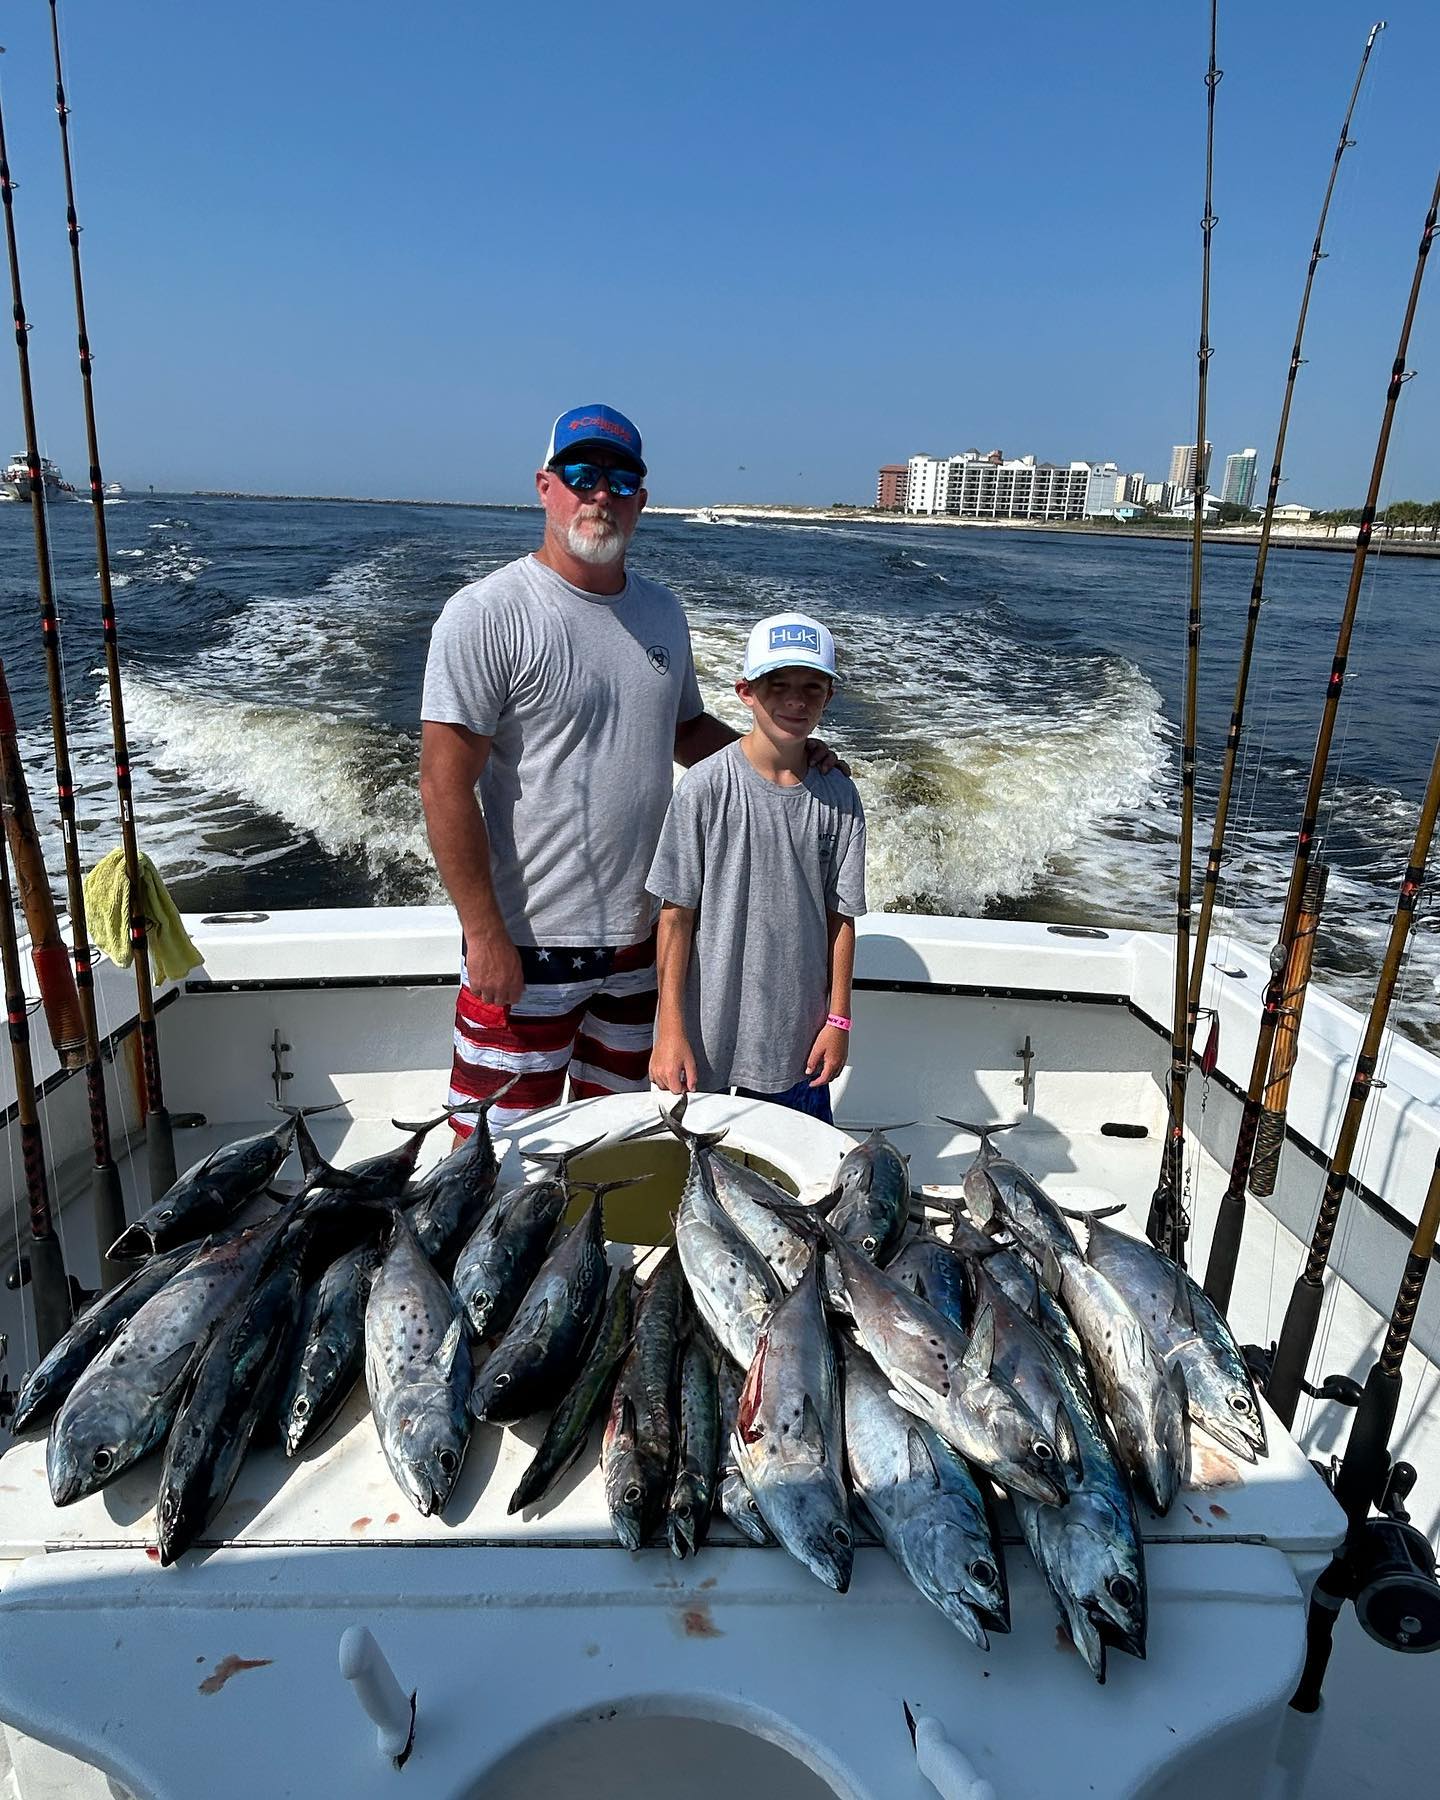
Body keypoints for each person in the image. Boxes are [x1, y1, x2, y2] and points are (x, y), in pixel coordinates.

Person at [420, 405, 840, 1134]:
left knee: (616, 1139)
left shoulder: (662, 614)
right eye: (582, 475)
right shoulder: (484, 614)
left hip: (643, 942)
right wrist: (483, 936)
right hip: (526, 942)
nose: (600, 494)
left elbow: (684, 731)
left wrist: (791, 759)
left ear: (642, 499)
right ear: (545, 486)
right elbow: (442, 782)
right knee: (490, 1150)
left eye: (621, 478)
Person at [646, 612, 866, 1123]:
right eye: (779, 685)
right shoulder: (703, 789)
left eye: (813, 687)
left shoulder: (841, 796)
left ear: (829, 697)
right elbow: (675, 917)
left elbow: (842, 919)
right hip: (702, 1046)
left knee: (796, 1185)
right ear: (746, 691)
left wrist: (839, 1020)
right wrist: (669, 1030)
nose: (796, 700)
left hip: (798, 1044)